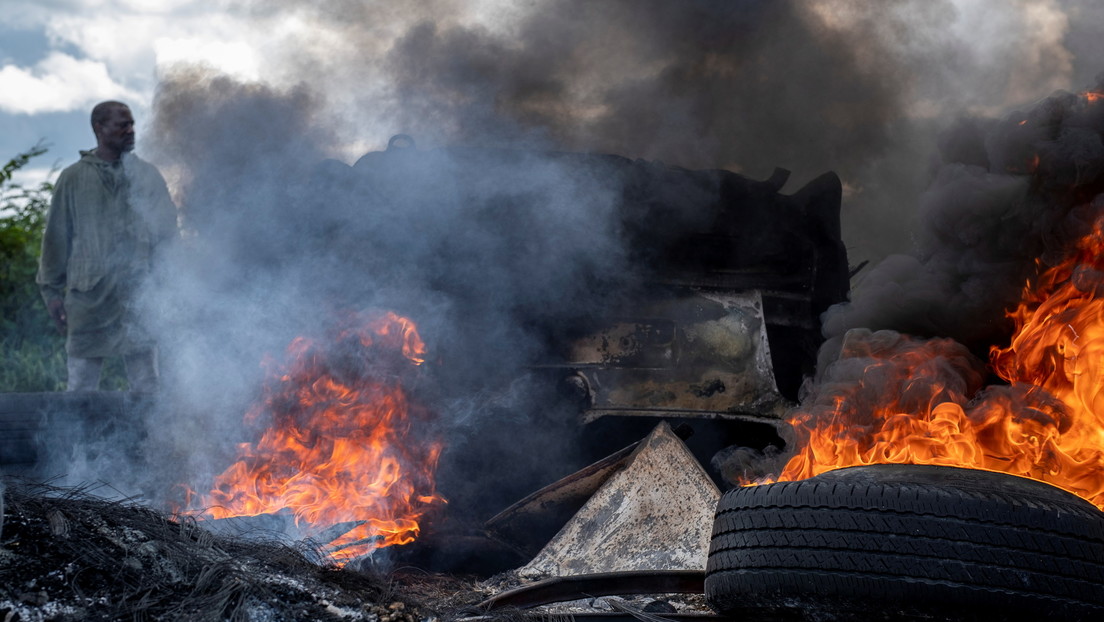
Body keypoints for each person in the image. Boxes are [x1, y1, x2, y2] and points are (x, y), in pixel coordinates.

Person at [37, 101, 179, 392]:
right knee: (81, 385)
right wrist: (51, 291)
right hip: (89, 300)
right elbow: (56, 238)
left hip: (139, 297)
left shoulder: (147, 176)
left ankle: (148, 438)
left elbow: (167, 237)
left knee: (147, 384)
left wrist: (169, 287)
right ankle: (77, 439)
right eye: (122, 124)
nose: (130, 130)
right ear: (99, 128)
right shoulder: (74, 178)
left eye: (132, 124)